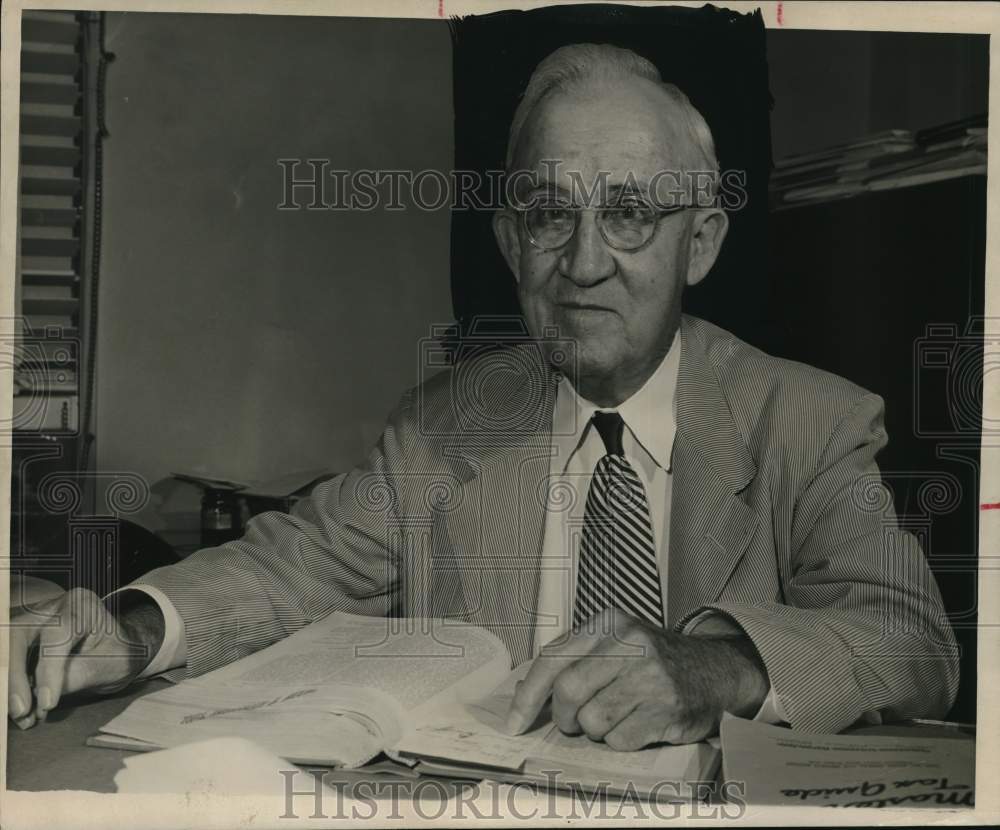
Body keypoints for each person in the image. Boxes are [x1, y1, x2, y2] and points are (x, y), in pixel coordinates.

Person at [8, 43, 958, 748]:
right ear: (511, 243)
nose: (585, 263)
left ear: (700, 243)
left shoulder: (810, 420)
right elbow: (285, 570)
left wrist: (720, 667)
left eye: (629, 213)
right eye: (552, 214)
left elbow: (910, 642)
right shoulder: (441, 427)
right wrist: (127, 632)